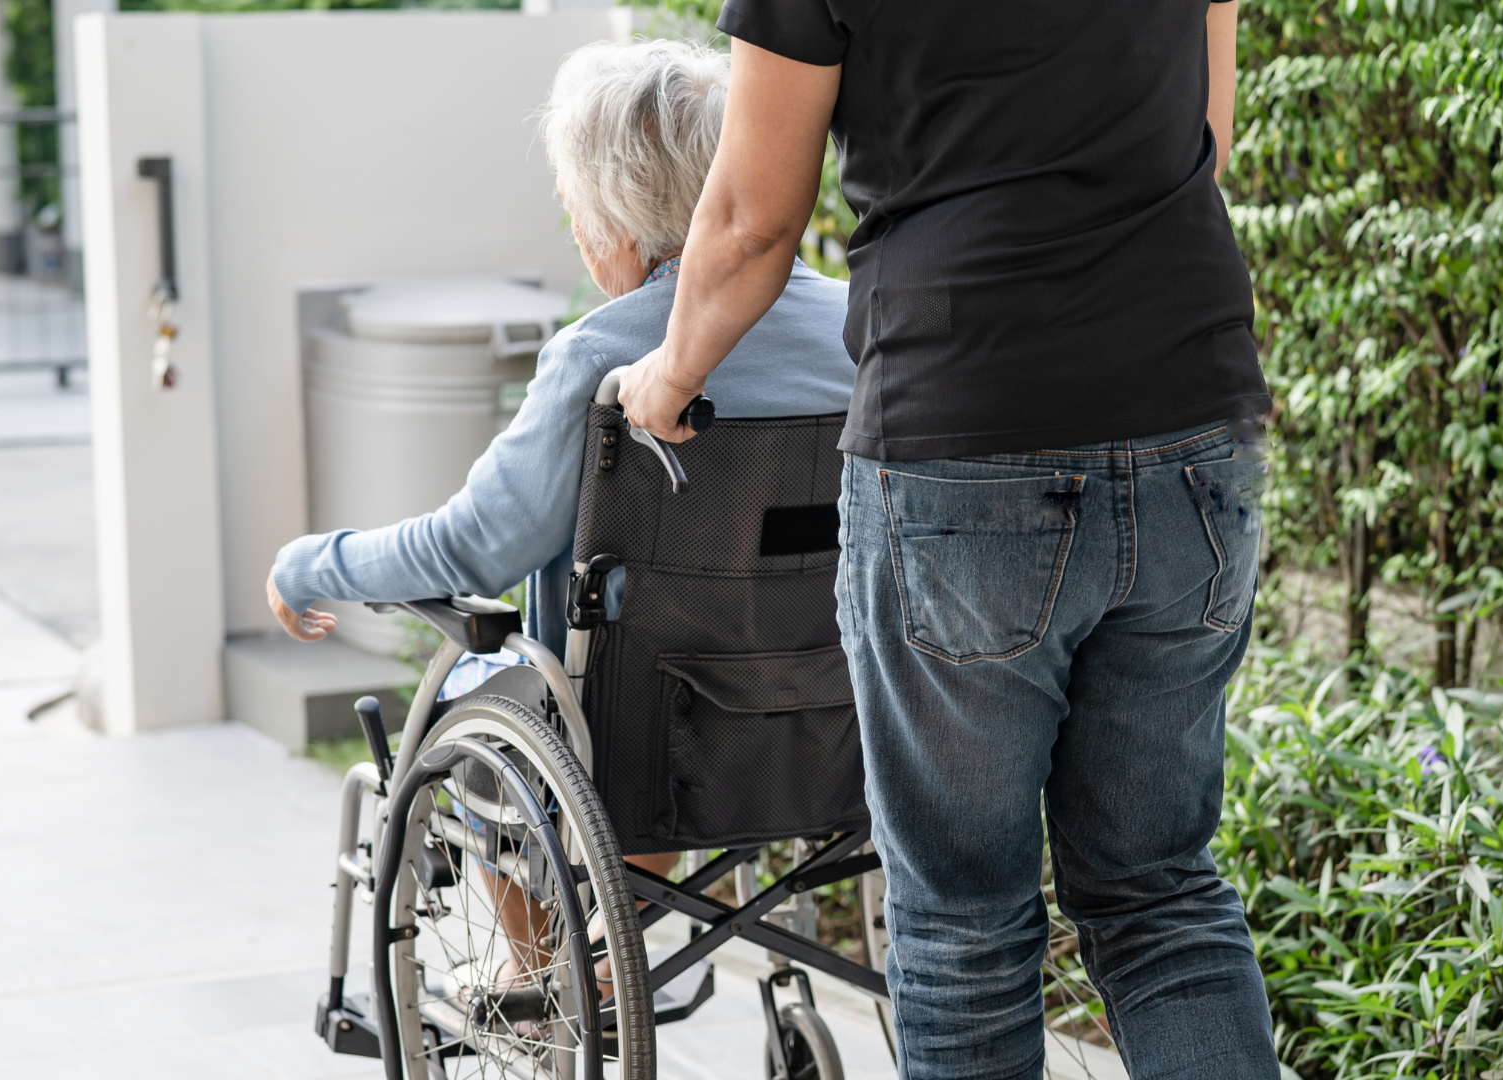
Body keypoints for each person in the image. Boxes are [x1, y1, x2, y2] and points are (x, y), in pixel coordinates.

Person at [616, 3, 1281, 1078]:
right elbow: (1204, 133)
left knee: (965, 920)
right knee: (1161, 892)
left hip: (963, 429)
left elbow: (749, 220)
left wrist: (671, 374)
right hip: (1192, 422)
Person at [264, 39, 857, 986]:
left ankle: (535, 972)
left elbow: (474, 547)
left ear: (614, 223)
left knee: (481, 692)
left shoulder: (601, 354)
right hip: (836, 714)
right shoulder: (861, 325)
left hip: (645, 739)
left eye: (574, 204)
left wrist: (312, 563)